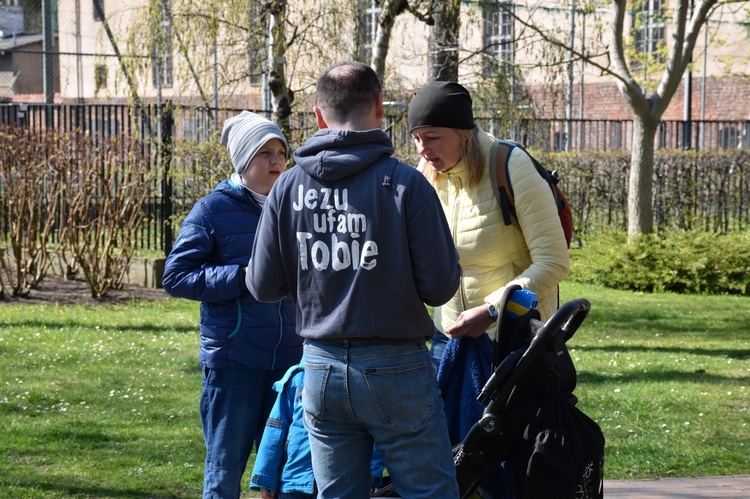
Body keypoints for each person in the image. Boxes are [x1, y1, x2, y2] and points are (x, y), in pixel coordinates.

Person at [245, 61, 462, 499]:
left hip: (320, 367)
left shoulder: (287, 188)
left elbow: (262, 285)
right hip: (397, 366)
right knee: (429, 492)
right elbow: (440, 287)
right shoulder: (406, 185)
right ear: (380, 107)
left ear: (319, 115)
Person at [162, 110, 303, 499]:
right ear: (243, 160)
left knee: (284, 476)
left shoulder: (297, 205)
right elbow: (176, 277)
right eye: (264, 152)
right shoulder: (212, 210)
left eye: (280, 151)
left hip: (290, 364)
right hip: (234, 365)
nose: (276, 160)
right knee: (225, 474)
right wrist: (243, 275)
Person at [407, 79, 569, 367]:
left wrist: (492, 311)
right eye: (417, 138)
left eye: (432, 137)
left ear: (463, 133)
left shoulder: (511, 166)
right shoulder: (427, 172)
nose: (422, 149)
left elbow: (554, 263)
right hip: (448, 336)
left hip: (511, 338)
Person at [249, 358, 385, 499]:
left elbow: (373, 433)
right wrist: (265, 477)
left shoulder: (362, 380)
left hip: (341, 482)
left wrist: (373, 474)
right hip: (295, 481)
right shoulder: (298, 377)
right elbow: (275, 428)